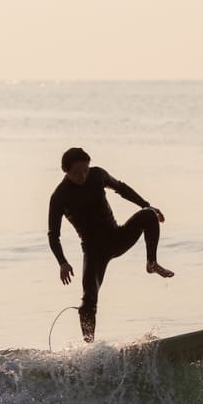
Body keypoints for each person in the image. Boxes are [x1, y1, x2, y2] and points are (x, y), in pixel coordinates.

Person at [47, 147, 174, 343]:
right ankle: (90, 349)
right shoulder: (59, 196)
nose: (82, 176)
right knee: (89, 300)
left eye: (85, 170)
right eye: (76, 173)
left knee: (149, 215)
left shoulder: (97, 175)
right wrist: (62, 262)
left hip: (117, 237)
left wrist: (146, 204)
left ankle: (152, 263)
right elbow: (53, 235)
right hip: (94, 251)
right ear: (65, 171)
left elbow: (121, 188)